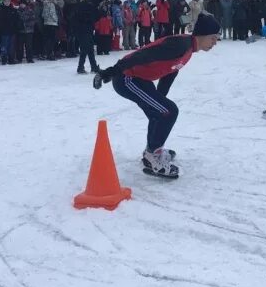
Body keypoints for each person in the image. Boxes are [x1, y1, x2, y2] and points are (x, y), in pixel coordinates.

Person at [92, 13, 222, 179]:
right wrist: (111, 72)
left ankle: (152, 153)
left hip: (140, 80)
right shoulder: (180, 44)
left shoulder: (189, 48)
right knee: (169, 111)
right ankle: (154, 156)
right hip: (127, 79)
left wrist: (160, 98)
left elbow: (170, 72)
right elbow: (142, 55)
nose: (215, 43)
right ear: (203, 34)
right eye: (213, 38)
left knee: (162, 112)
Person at [75, 0, 106, 73]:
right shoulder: (90, 4)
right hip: (84, 28)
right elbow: (92, 18)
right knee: (85, 48)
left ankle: (93, 66)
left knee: (89, 48)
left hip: (85, 28)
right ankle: (81, 67)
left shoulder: (90, 3)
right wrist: (100, 12)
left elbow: (93, 17)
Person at [0, 0, 21, 64]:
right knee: (4, 45)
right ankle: (4, 59)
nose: (7, 2)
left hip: (12, 31)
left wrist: (16, 27)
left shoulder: (13, 9)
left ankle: (11, 59)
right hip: (4, 31)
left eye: (8, 0)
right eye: (5, 1)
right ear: (3, 1)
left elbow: (17, 19)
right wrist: (1, 29)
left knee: (11, 46)